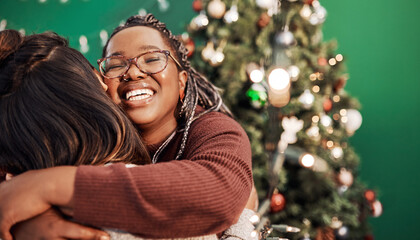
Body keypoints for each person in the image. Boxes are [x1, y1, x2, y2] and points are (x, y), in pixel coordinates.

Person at [0, 14, 254, 240]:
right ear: (100, 86)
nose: (133, 73)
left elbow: (219, 193)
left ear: (181, 83)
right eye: (115, 64)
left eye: (153, 58)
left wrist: (43, 186)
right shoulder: (69, 145)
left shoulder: (215, 130)